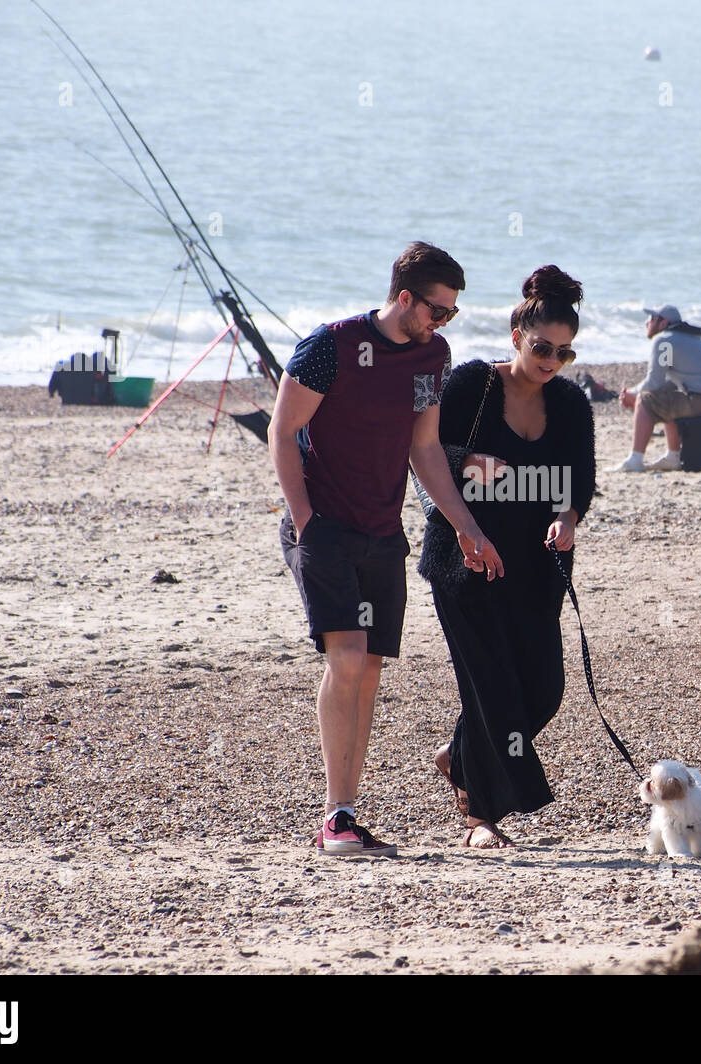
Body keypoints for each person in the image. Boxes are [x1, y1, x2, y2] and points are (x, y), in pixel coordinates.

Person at [268, 242, 503, 858]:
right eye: (437, 310)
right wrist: (304, 518)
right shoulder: (332, 345)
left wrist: (465, 526)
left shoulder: (432, 355)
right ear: (404, 297)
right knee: (345, 659)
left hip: (381, 532)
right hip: (322, 528)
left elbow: (424, 448)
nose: (442, 322)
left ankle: (344, 814)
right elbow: (283, 429)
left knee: (368, 668)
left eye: (451, 313)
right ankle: (335, 817)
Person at [419, 266, 596, 848]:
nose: (551, 361)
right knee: (491, 686)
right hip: (466, 559)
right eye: (542, 347)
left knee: (543, 689)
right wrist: (469, 468)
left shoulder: (570, 403)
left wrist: (565, 518)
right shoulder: (473, 385)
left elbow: (578, 482)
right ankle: (479, 817)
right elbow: (425, 456)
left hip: (536, 567)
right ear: (517, 335)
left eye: (563, 353)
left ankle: (459, 754)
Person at [612, 304, 701, 472]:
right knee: (665, 397)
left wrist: (632, 394)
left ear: (663, 323)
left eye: (651, 319)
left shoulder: (664, 341)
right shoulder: (686, 339)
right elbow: (666, 385)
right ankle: (673, 457)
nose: (646, 323)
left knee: (646, 399)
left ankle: (635, 460)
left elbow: (653, 383)